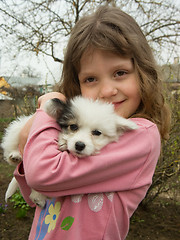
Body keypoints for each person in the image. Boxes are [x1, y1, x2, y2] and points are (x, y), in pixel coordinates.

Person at [14, 5, 170, 240]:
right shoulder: (79, 129)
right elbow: (37, 196)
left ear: (143, 73)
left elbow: (43, 175)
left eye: (120, 73)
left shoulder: (140, 135)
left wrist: (49, 107)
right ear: (77, 85)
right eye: (90, 79)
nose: (107, 90)